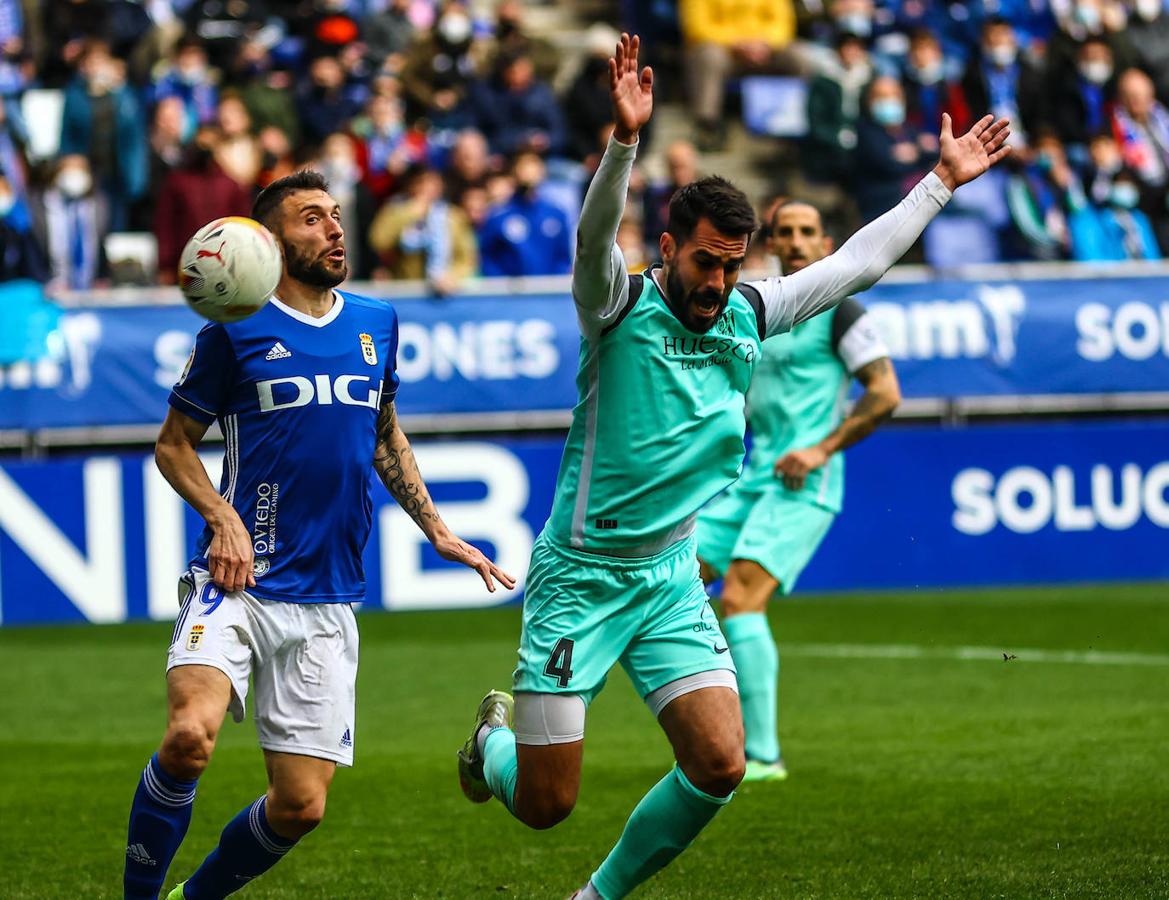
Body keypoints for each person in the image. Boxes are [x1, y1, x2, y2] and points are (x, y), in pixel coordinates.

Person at [456, 33, 1008, 900]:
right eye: (704, 261)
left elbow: (852, 261)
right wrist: (625, 142)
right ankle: (491, 743)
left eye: (730, 264)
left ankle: (592, 899)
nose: (717, 280)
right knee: (543, 803)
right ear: (669, 246)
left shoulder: (750, 310)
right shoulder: (616, 306)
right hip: (580, 578)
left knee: (719, 763)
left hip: (670, 573)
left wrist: (937, 185)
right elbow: (594, 236)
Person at [122, 169, 514, 900]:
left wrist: (436, 528)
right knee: (188, 737)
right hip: (237, 580)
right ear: (269, 243)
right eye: (311, 219)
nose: (334, 228)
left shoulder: (376, 322)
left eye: (335, 215)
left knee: (300, 806)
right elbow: (173, 445)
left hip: (327, 594)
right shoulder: (232, 332)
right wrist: (223, 518)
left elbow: (384, 433)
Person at [695, 200, 901, 782]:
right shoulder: (754, 309)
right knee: (674, 581)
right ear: (771, 242)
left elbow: (885, 392)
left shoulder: (841, 312)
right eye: (784, 231)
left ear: (826, 242)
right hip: (752, 477)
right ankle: (702, 727)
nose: (795, 241)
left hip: (804, 482)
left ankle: (762, 754)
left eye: (807, 232)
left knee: (738, 599)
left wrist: (820, 449)